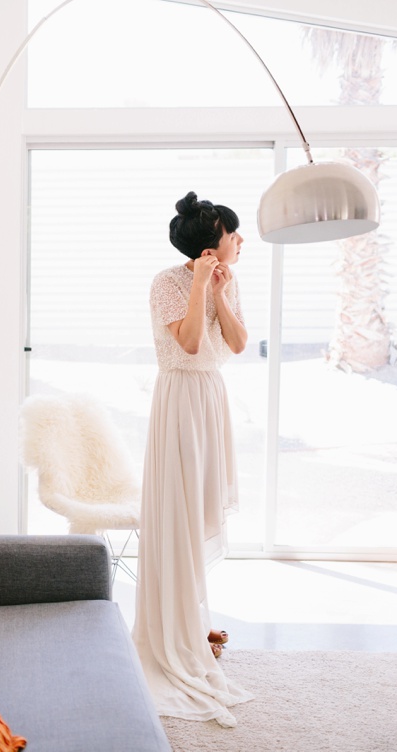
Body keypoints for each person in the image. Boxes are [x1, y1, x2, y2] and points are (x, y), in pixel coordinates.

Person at [131, 191, 254, 727]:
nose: (240, 241)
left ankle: (193, 624)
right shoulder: (167, 282)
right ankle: (174, 631)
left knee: (200, 509)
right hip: (180, 397)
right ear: (210, 246)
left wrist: (220, 292)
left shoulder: (229, 280)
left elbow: (238, 343)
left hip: (210, 397)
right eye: (232, 234)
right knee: (177, 515)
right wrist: (200, 285)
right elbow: (186, 343)